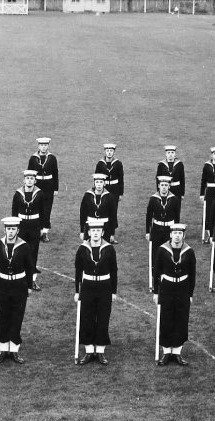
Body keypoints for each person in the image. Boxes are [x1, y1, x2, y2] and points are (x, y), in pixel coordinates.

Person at [0, 217, 35, 364]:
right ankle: (3, 349)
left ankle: (14, 350)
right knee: (2, 316)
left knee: (16, 316)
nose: (10, 232)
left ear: (17, 230)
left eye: (13, 229)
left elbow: (29, 267)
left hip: (19, 286)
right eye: (8, 229)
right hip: (3, 286)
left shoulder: (24, 246)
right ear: (5, 230)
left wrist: (28, 286)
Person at [74, 220, 118, 365]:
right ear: (89, 232)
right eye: (93, 231)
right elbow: (78, 271)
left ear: (102, 233)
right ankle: (88, 351)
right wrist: (76, 291)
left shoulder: (109, 249)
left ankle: (100, 351)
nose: (95, 233)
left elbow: (114, 271)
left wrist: (113, 291)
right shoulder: (82, 249)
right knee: (87, 318)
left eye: (98, 231)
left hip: (105, 286)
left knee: (103, 318)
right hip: (87, 286)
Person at [153, 223, 196, 366]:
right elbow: (156, 272)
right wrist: (155, 291)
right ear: (170, 234)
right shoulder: (162, 250)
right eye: (175, 233)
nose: (177, 236)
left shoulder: (189, 251)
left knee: (181, 319)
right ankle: (166, 352)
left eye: (180, 233)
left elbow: (192, 274)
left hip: (182, 288)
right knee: (166, 318)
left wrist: (190, 294)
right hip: (166, 288)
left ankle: (177, 352)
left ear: (183, 235)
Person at [146, 176, 182, 291]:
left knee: (168, 254)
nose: (164, 188)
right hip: (156, 230)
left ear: (169, 186)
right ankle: (155, 280)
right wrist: (148, 232)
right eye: (162, 185)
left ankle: (167, 278)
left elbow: (177, 217)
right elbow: (148, 216)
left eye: (166, 185)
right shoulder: (153, 199)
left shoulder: (174, 199)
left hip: (169, 231)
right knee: (156, 255)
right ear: (158, 186)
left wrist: (176, 233)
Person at [12, 170, 44, 291]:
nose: (29, 180)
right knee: (20, 251)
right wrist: (15, 226)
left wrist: (42, 228)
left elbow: (43, 212)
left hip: (34, 225)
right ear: (24, 180)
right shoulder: (18, 194)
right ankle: (19, 279)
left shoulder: (39, 194)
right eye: (27, 178)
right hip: (21, 225)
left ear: (35, 180)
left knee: (33, 253)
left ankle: (32, 280)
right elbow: (14, 211)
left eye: (32, 178)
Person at [27, 137, 58, 243]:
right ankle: (38, 231)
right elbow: (29, 174)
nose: (44, 147)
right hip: (37, 186)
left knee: (47, 210)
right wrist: (29, 188)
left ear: (48, 146)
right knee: (37, 209)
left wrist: (56, 189)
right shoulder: (33, 158)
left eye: (45, 145)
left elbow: (55, 173)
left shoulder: (52, 158)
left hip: (49, 186)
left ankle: (45, 232)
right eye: (42, 145)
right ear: (38, 146)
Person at [95, 144, 124, 244]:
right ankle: (102, 234)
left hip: (114, 189)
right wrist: (96, 191)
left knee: (113, 212)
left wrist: (120, 193)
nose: (109, 152)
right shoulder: (100, 163)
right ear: (104, 151)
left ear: (114, 152)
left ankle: (112, 235)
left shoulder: (118, 163)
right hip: (104, 188)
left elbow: (121, 179)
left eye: (111, 150)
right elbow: (96, 178)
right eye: (107, 150)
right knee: (103, 210)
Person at [80, 173, 119, 243]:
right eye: (97, 182)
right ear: (94, 183)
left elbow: (113, 215)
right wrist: (82, 231)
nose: (99, 184)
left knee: (104, 250)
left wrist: (112, 233)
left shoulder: (109, 197)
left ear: (104, 184)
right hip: (90, 225)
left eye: (101, 182)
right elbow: (83, 214)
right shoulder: (87, 195)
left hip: (105, 227)